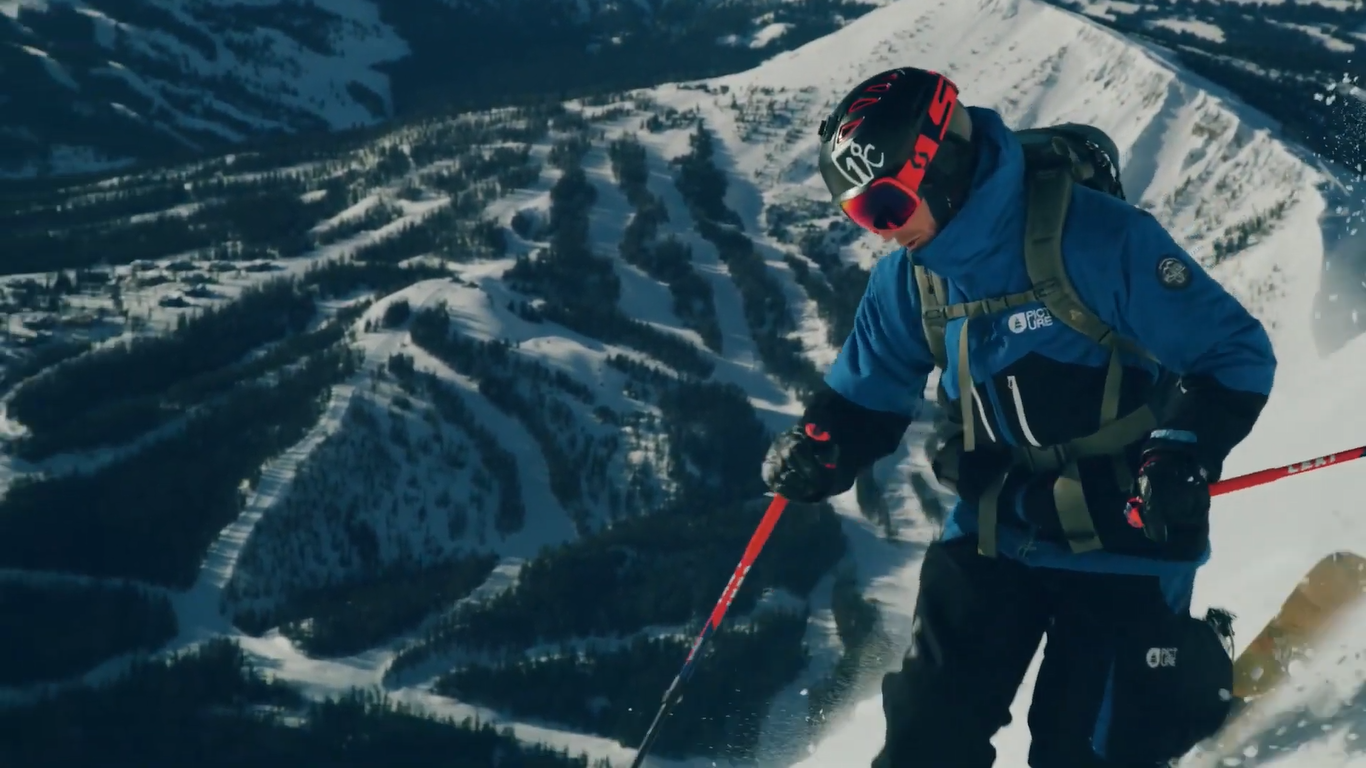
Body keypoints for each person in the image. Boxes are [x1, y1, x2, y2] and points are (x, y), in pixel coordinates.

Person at [761, 67, 1277, 767]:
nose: (881, 234)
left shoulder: (1096, 240)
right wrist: (824, 443)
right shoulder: (913, 279)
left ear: (937, 166)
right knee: (923, 744)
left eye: (884, 207)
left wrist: (1179, 453)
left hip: (1123, 531)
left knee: (1085, 753)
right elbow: (867, 390)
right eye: (860, 217)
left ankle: (1182, 683)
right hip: (996, 531)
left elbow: (1231, 353)